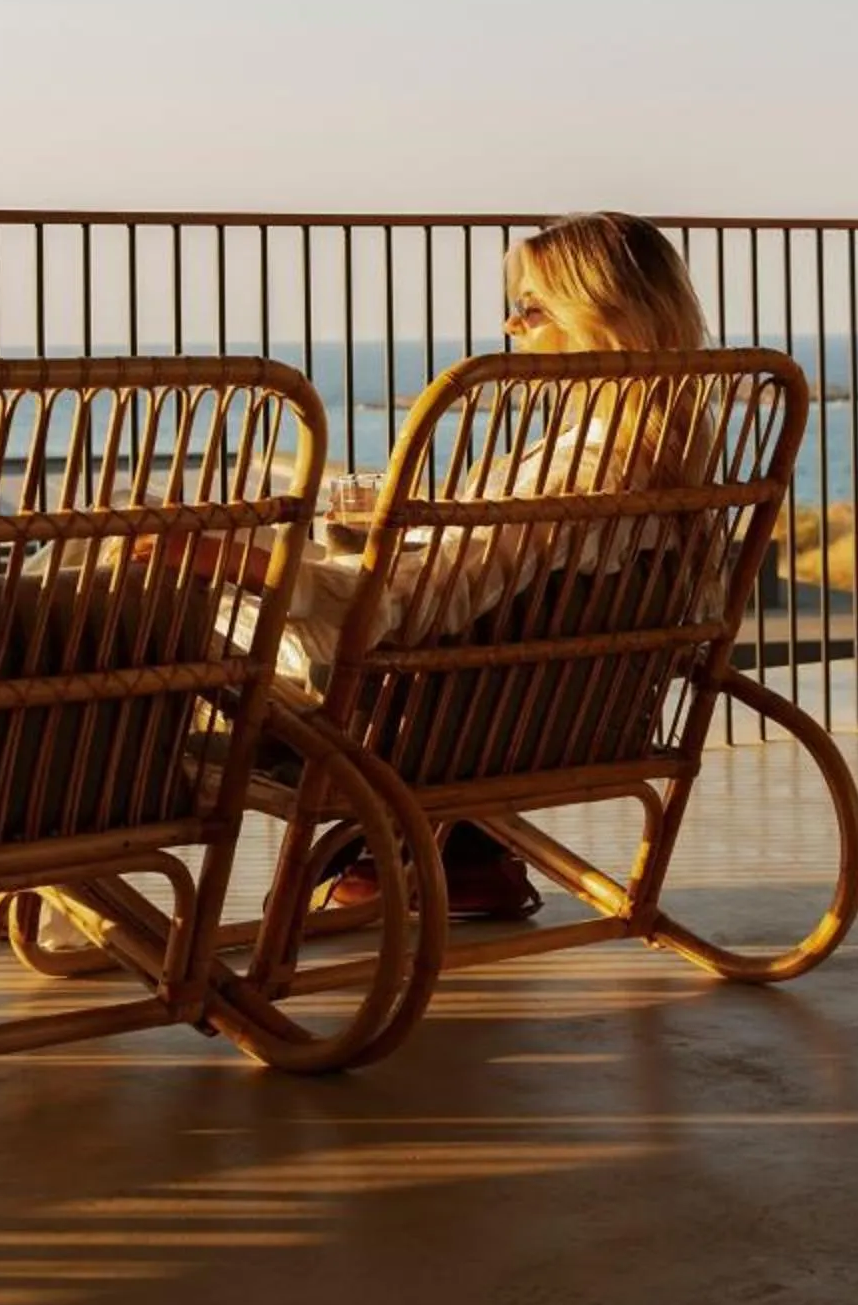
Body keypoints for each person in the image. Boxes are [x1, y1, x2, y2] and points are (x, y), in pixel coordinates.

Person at [232, 212, 713, 918]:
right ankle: (465, 856)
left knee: (130, 618)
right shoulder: (673, 454)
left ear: (599, 318)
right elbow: (506, 580)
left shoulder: (589, 462)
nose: (515, 328)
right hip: (532, 708)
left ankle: (57, 850)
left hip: (420, 717)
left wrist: (237, 562)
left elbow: (413, 605)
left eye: (532, 308)